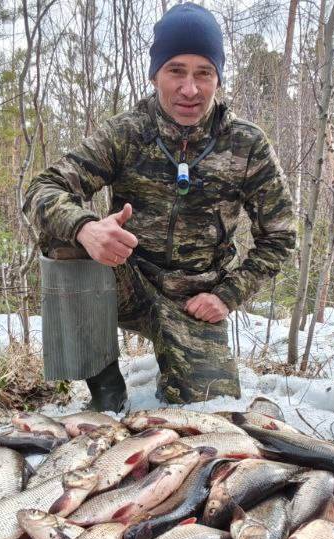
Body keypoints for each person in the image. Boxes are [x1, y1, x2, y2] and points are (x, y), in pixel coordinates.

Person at [24, 2, 296, 410]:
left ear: (218, 77)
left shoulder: (246, 144)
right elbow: (43, 188)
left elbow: (281, 237)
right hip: (126, 281)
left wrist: (226, 295)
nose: (190, 89)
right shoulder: (127, 132)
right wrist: (87, 228)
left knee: (207, 411)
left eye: (203, 73)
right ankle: (103, 380)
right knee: (62, 236)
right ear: (155, 75)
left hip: (194, 302)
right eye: (176, 71)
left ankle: (184, 366)